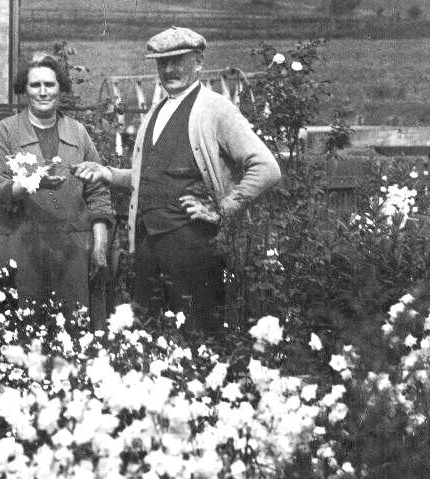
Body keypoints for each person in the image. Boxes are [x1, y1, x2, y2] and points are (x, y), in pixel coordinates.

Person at [73, 27, 281, 331]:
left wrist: (223, 208)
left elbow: (267, 167)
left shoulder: (216, 109)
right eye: (162, 62)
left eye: (177, 60)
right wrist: (109, 174)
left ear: (197, 61)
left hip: (193, 244)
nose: (168, 69)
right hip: (147, 244)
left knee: (198, 336)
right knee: (148, 338)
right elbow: (152, 177)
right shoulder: (155, 112)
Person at [0, 53, 114, 323]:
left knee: (74, 332)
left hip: (72, 250)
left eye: (50, 85)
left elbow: (98, 192)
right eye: (35, 85)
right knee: (23, 330)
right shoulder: (5, 131)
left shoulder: (78, 133)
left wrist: (99, 247)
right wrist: (32, 183)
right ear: (24, 90)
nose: (43, 92)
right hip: (21, 246)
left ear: (60, 88)